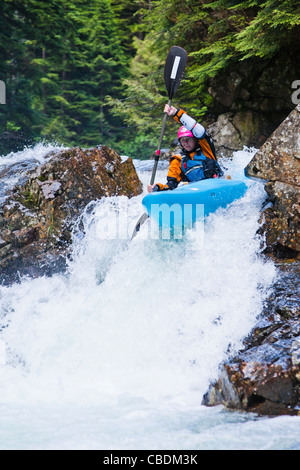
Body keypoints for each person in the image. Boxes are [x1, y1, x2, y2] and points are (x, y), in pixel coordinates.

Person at [147, 105, 223, 193]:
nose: (185, 143)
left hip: (216, 186)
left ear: (195, 139)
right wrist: (156, 188)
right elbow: (170, 186)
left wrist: (176, 113)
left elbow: (198, 129)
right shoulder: (178, 160)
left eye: (188, 140)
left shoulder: (206, 150)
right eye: (182, 141)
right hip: (196, 191)